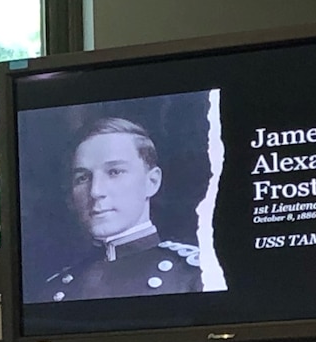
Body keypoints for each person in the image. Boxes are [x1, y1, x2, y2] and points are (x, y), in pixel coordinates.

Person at [39, 116, 204, 302]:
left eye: (114, 172)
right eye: (83, 178)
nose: (95, 191)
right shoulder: (56, 290)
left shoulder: (196, 275)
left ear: (152, 182)